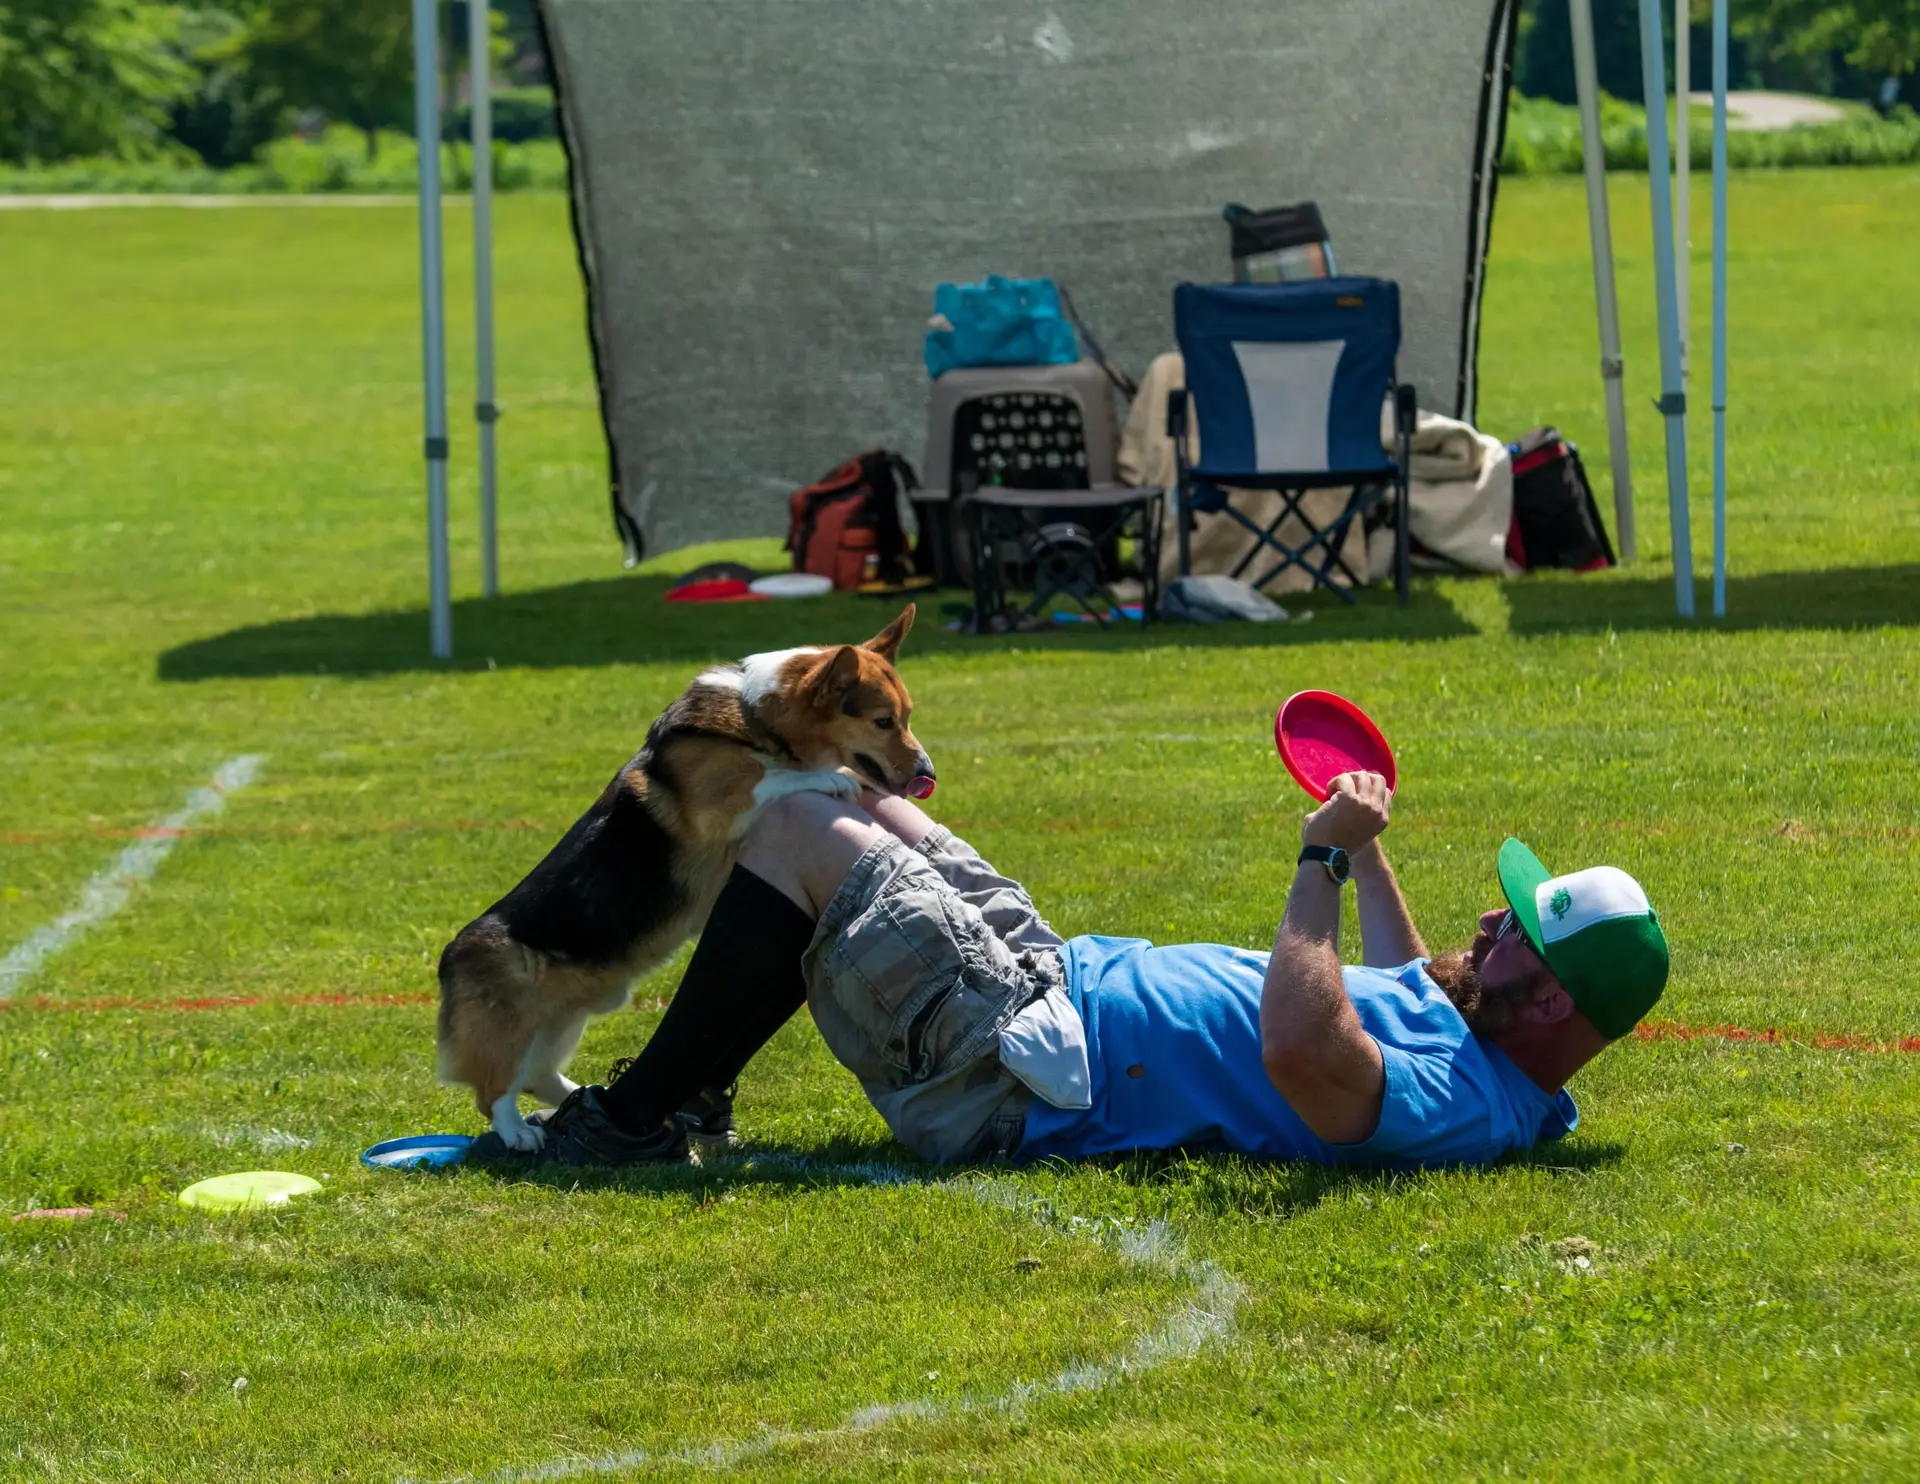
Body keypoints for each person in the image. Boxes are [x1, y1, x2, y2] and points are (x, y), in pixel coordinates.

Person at [470, 772, 1668, 1170]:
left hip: (1018, 1068)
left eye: (1516, 930)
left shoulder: (1467, 1104)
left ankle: (634, 1116)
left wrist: (1319, 862)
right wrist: (1370, 840)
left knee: (793, 836)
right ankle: (697, 1077)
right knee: (845, 791)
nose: (1488, 921)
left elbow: (1309, 1053)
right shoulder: (1482, 1044)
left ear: (1553, 1000)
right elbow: (1404, 981)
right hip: (1044, 982)